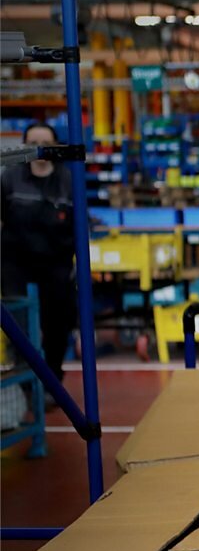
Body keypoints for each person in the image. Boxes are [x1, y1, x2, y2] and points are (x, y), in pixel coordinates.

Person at [1, 122, 76, 387]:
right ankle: (24, 386)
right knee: (18, 324)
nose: (39, 149)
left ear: (55, 146)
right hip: (15, 262)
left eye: (45, 143)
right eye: (33, 142)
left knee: (57, 324)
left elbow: (80, 223)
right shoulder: (10, 177)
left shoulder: (68, 180)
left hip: (55, 262)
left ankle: (52, 382)